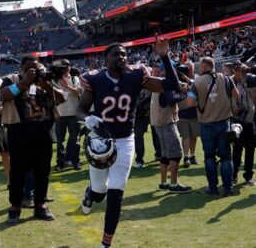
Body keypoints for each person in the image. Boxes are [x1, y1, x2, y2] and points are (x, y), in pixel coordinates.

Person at [77, 38, 180, 248]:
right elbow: (81, 108)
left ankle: (105, 244)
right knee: (99, 193)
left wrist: (164, 57)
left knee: (116, 193)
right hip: (100, 138)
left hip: (125, 139)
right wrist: (87, 118)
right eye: (116, 54)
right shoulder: (95, 79)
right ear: (105, 59)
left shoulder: (136, 75)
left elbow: (171, 85)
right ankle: (90, 193)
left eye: (124, 54)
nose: (121, 57)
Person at [0, 55, 65, 224]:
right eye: (29, 69)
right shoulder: (11, 79)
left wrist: (45, 84)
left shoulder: (44, 80)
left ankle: (40, 205)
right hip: (19, 136)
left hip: (43, 136)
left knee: (42, 174)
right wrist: (24, 82)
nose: (34, 72)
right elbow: (3, 96)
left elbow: (61, 98)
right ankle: (15, 207)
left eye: (36, 69)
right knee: (17, 175)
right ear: (21, 69)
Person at [187, 57, 239, 196]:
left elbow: (190, 103)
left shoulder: (196, 82)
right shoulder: (226, 78)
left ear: (203, 67)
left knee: (209, 157)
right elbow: (236, 94)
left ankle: (212, 187)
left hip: (206, 123)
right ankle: (227, 188)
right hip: (224, 122)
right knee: (226, 157)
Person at [231, 60, 256, 185]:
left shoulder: (251, 81)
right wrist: (232, 108)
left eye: (241, 70)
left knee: (250, 149)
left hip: (250, 120)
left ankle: (248, 175)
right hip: (237, 121)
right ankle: (233, 174)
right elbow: (226, 99)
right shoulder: (230, 82)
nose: (239, 72)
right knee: (237, 148)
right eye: (236, 69)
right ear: (233, 70)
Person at [55, 60, 82, 171]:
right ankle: (60, 162)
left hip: (73, 113)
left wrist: (67, 86)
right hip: (60, 113)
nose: (66, 68)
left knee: (75, 138)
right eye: (64, 66)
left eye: (67, 66)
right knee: (60, 140)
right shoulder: (55, 79)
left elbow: (79, 92)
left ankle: (75, 161)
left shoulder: (75, 79)